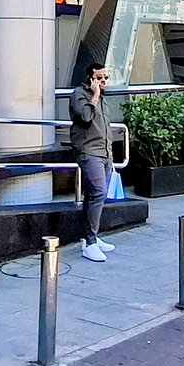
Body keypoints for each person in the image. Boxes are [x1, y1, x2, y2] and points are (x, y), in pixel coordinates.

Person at [70, 62, 115, 262]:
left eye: (105, 77)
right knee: (98, 192)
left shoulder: (103, 99)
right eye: (99, 78)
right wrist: (95, 96)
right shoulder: (79, 94)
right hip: (89, 152)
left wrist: (110, 152)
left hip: (104, 153)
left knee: (93, 195)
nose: (103, 81)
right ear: (90, 79)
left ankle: (90, 237)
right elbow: (85, 117)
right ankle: (90, 244)